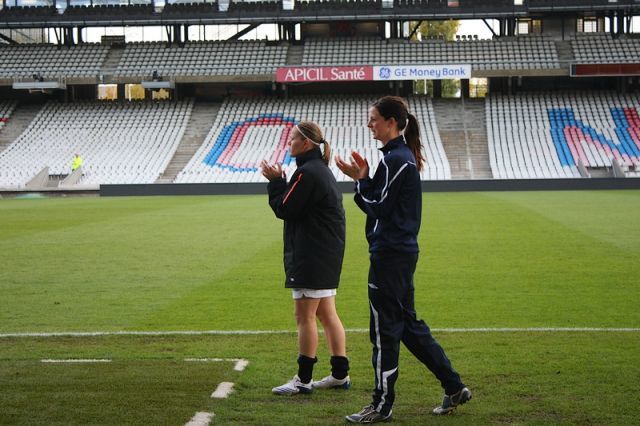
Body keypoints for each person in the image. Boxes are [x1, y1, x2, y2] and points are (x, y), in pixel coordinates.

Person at [336, 96, 471, 423]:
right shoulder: (394, 158)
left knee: (384, 332)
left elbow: (379, 207)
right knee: (408, 327)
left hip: (390, 256)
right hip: (398, 253)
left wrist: (360, 182)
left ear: (392, 122)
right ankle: (454, 387)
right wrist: (364, 177)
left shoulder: (398, 160)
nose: (369, 124)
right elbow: (382, 200)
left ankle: (381, 405)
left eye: (373, 119)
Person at [261, 121, 351, 395]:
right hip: (325, 253)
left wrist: (275, 182)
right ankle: (339, 375)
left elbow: (285, 208)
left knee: (304, 316)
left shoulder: (308, 172)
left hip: (312, 254)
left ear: (306, 143)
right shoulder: (318, 170)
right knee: (327, 314)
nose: (289, 144)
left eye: (292, 139)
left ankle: (303, 380)